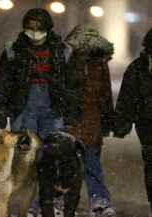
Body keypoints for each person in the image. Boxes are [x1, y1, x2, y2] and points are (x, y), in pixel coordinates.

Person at [0, 8, 81, 216]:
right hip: (23, 107)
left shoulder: (63, 51)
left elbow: (73, 85)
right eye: (30, 28)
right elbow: (1, 83)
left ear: (48, 29)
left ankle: (51, 201)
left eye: (39, 28)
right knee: (24, 157)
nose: (34, 32)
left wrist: (72, 111)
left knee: (54, 155)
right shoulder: (13, 50)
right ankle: (27, 204)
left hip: (53, 106)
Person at [65, 25, 116, 217]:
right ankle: (95, 201)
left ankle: (97, 201)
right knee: (80, 164)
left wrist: (108, 120)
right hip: (79, 120)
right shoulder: (94, 64)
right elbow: (105, 95)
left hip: (86, 120)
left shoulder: (93, 64)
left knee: (84, 164)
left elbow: (104, 95)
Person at [114, 27, 152, 217]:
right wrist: (123, 121)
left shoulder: (137, 68)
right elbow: (128, 97)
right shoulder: (138, 68)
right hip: (148, 125)